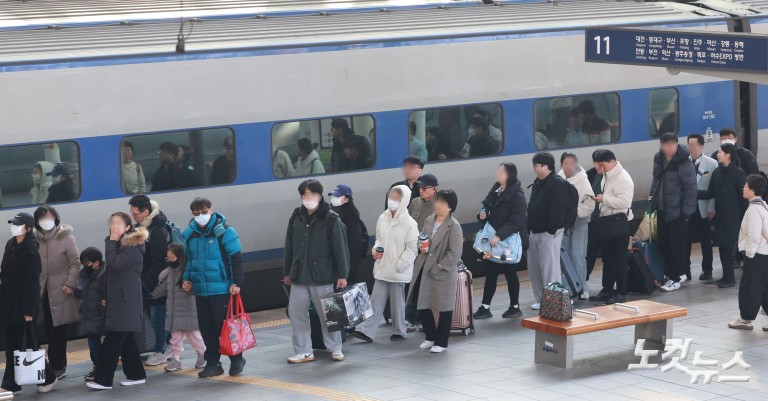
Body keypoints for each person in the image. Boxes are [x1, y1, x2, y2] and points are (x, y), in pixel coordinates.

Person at [283, 180, 349, 363]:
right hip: (299, 274)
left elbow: (340, 249)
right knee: (297, 313)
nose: (307, 198)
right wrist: (286, 271)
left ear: (320, 196)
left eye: (311, 194)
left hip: (323, 274)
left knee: (329, 314)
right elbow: (289, 245)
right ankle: (304, 350)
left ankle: (335, 348)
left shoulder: (331, 218)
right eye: (304, 195)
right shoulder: (296, 216)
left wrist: (342, 275)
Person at [182, 198, 246, 377]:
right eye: (196, 213)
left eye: (203, 212)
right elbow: (189, 260)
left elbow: (236, 260)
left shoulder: (225, 232)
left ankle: (236, 359)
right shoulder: (190, 234)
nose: (200, 216)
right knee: (206, 328)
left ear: (211, 210)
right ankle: (213, 363)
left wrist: (237, 283)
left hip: (222, 289)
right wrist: (186, 279)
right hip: (201, 290)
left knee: (224, 327)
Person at [87, 212, 147, 390]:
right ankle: (137, 374)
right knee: (126, 341)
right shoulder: (120, 245)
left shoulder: (133, 246)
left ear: (128, 227)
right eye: (112, 222)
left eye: (118, 223)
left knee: (112, 342)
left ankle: (103, 380)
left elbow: (114, 265)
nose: (114, 225)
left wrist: (111, 241)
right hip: (120, 300)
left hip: (126, 302)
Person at [351, 185, 418, 342]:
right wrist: (375, 250)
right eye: (391, 197)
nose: (392, 201)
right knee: (376, 299)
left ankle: (399, 330)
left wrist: (400, 265)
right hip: (382, 266)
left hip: (397, 269)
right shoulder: (383, 218)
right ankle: (367, 331)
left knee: (397, 303)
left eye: (396, 199)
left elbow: (412, 249)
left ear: (404, 201)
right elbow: (379, 239)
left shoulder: (410, 223)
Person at [1, 212, 58, 395]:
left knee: (23, 343)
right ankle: (15, 382)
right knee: (15, 343)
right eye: (12, 224)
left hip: (23, 304)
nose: (13, 227)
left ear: (27, 228)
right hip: (9, 302)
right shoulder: (11, 244)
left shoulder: (30, 250)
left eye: (17, 224)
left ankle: (16, 382)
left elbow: (32, 283)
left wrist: (28, 310)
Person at [474, 163, 528, 319]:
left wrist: (499, 235)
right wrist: (481, 215)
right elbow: (487, 208)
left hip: (506, 241)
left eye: (501, 171)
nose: (498, 173)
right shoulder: (497, 190)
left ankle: (514, 307)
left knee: (510, 272)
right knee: (491, 272)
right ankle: (485, 307)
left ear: (509, 174)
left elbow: (516, 220)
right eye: (498, 170)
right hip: (494, 240)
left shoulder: (517, 195)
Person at [34, 205, 81, 380]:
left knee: (59, 329)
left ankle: (58, 366)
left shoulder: (66, 237)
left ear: (56, 219)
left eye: (49, 217)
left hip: (62, 290)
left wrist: (70, 283)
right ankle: (55, 366)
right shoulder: (36, 240)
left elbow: (75, 263)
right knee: (49, 328)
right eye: (42, 218)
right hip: (44, 291)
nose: (46, 221)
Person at [415, 190, 463, 353]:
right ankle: (430, 336)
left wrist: (439, 267)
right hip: (425, 267)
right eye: (437, 201)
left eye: (442, 202)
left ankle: (441, 342)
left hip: (443, 271)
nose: (438, 204)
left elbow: (455, 252)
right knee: (423, 303)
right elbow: (421, 237)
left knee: (444, 306)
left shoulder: (454, 226)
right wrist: (421, 245)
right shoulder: (429, 220)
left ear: (450, 207)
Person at [650, 133, 697, 292]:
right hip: (663, 210)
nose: (669, 148)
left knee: (676, 246)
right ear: (661, 146)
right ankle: (678, 273)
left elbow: (691, 188)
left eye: (672, 145)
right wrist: (653, 200)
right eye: (666, 145)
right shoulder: (658, 158)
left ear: (677, 145)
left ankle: (675, 278)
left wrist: (686, 212)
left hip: (678, 212)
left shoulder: (683, 160)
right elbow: (656, 180)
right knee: (663, 244)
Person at [128, 195, 171, 367]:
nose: (133, 216)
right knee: (155, 316)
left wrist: (147, 284)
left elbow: (158, 261)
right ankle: (168, 345)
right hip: (145, 281)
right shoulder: (143, 227)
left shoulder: (157, 231)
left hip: (155, 283)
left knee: (157, 316)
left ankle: (161, 350)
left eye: (135, 213)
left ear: (146, 212)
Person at [698, 144, 748, 288]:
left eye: (720, 152)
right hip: (720, 217)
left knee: (727, 246)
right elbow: (710, 193)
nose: (717, 154)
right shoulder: (717, 173)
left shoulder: (738, 173)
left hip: (734, 217)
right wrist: (693, 193)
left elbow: (743, 198)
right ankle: (727, 277)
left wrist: (746, 219)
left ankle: (729, 278)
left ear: (728, 155)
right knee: (722, 247)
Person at [151, 244, 206, 372]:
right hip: (173, 311)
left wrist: (191, 287)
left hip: (187, 309)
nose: (170, 260)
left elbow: (196, 288)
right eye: (168, 258)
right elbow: (163, 288)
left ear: (180, 257)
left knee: (193, 335)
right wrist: (150, 295)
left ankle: (202, 355)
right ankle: (176, 360)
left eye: (172, 257)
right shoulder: (170, 272)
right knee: (175, 337)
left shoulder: (188, 271)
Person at [527, 153, 569, 309]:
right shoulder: (538, 182)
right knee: (535, 268)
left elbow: (558, 209)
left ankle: (554, 301)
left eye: (536, 165)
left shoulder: (557, 183)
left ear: (546, 166)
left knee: (550, 268)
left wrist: (552, 230)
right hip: (535, 231)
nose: (534, 168)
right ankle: (540, 299)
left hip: (549, 232)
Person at [593, 150, 634, 304]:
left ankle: (621, 291)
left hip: (619, 222)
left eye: (602, 165)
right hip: (608, 222)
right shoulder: (607, 175)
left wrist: (605, 199)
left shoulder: (622, 178)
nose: (600, 168)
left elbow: (625, 202)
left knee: (620, 259)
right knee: (608, 259)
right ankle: (607, 289)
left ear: (612, 162)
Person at [729, 174, 768, 330]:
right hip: (765, 254)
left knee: (749, 287)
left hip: (757, 255)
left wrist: (749, 255)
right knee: (764, 287)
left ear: (752, 190)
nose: (743, 188)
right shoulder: (764, 206)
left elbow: (753, 235)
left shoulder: (754, 210)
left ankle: (746, 319)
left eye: (746, 186)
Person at [558, 153, 595, 299]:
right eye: (565, 163)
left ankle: (582, 287)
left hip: (580, 221)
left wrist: (574, 212)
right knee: (565, 256)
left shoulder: (583, 180)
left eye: (571, 163)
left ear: (576, 164)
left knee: (578, 254)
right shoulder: (559, 178)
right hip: (564, 223)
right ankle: (568, 287)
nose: (568, 166)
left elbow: (590, 203)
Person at [405, 173, 438, 331]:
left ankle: (424, 320)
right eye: (419, 187)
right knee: (412, 285)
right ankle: (411, 318)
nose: (421, 190)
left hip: (429, 253)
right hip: (413, 251)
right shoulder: (415, 203)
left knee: (425, 286)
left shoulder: (440, 205)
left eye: (425, 188)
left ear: (435, 189)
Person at [687, 134, 718, 281]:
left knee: (705, 241)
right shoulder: (684, 163)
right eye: (689, 145)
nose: (690, 148)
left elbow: (714, 189)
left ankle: (707, 270)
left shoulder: (711, 164)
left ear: (701, 146)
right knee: (685, 241)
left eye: (693, 145)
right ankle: (685, 270)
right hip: (687, 210)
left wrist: (712, 208)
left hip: (703, 208)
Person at [76, 247, 106, 382]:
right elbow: (84, 293)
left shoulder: (105, 274)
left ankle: (102, 368)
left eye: (87, 263)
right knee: (93, 341)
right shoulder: (83, 275)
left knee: (107, 342)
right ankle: (98, 368)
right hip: (90, 314)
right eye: (83, 263)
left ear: (97, 262)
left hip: (102, 313)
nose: (85, 266)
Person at [329, 184, 364, 283]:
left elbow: (355, 248)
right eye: (333, 196)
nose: (334, 198)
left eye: (338, 196)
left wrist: (348, 273)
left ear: (347, 199)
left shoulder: (351, 218)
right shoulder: (328, 214)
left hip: (345, 268)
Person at [585, 152, 604, 282]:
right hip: (592, 220)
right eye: (596, 163)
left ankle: (613, 287)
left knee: (611, 256)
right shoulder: (589, 175)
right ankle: (583, 282)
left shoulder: (612, 176)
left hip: (608, 220)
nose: (599, 166)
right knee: (589, 253)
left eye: (601, 163)